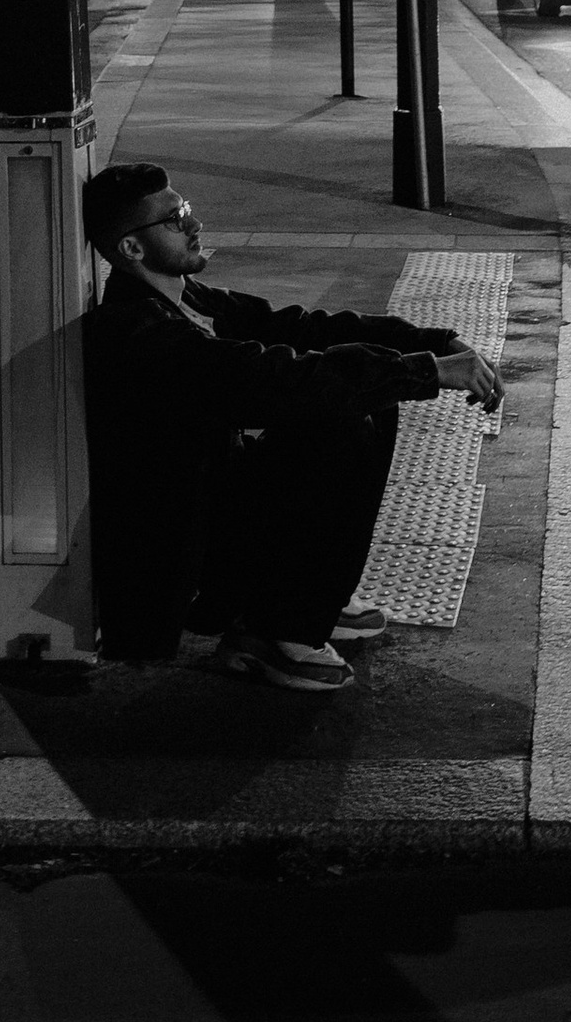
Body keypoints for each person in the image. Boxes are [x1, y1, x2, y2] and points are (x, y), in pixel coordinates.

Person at [80, 159, 502, 691]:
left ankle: (308, 597)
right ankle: (272, 630)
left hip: (217, 511)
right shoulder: (136, 332)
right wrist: (424, 371)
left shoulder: (186, 299)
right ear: (132, 249)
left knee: (369, 402)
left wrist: (431, 342)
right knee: (339, 421)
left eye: (185, 209)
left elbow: (298, 328)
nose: (193, 225)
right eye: (172, 220)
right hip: (186, 555)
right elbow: (271, 379)